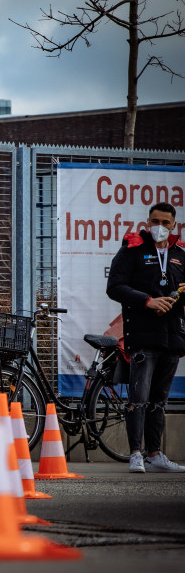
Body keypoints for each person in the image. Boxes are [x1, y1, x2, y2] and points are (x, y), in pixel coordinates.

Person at [106, 202, 185, 473]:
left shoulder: (180, 254)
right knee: (138, 398)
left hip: (172, 338)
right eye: (155, 221)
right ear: (147, 221)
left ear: (174, 225)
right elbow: (114, 287)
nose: (159, 227)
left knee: (159, 401)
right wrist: (147, 301)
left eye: (165, 223)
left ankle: (154, 454)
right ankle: (135, 454)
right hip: (142, 335)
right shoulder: (132, 249)